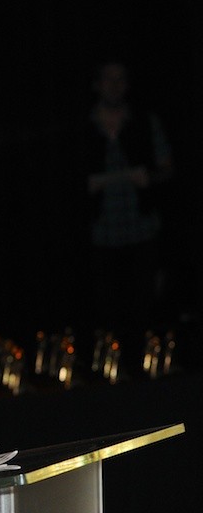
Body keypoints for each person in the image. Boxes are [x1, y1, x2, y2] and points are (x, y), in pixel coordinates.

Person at [77, 58, 174, 343]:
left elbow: (168, 168)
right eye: (108, 79)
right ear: (97, 85)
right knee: (106, 311)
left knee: (144, 307)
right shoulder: (83, 127)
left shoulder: (145, 121)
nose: (115, 86)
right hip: (100, 233)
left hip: (140, 229)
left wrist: (150, 178)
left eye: (120, 79)